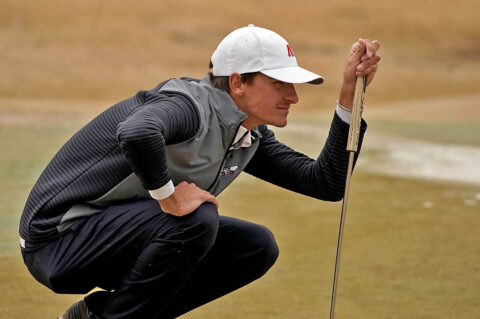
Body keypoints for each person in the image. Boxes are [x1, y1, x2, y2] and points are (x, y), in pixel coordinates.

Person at [19, 24, 380, 318]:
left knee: (254, 247)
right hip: (57, 239)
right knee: (195, 219)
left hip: (106, 238)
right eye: (278, 84)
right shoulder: (189, 106)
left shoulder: (246, 133)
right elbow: (137, 131)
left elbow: (325, 183)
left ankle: (100, 316)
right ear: (237, 83)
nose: (293, 96)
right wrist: (169, 197)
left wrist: (349, 95)